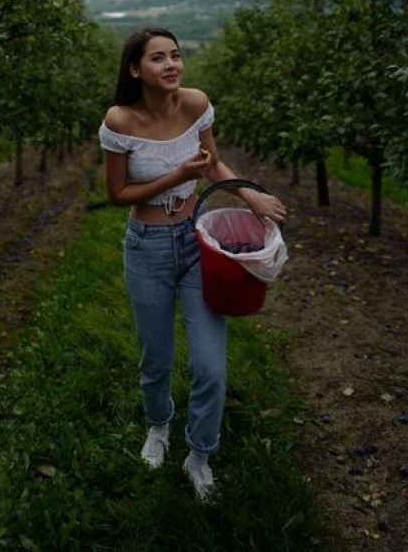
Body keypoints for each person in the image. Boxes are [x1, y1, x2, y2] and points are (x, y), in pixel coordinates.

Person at [98, 26, 287, 500]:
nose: (171, 65)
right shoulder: (120, 121)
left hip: (196, 241)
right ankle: (158, 427)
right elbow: (117, 195)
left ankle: (199, 454)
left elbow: (215, 164)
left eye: (176, 55)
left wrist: (250, 195)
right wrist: (177, 175)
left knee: (210, 366)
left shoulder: (196, 104)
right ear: (135, 68)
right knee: (156, 358)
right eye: (158, 58)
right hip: (148, 247)